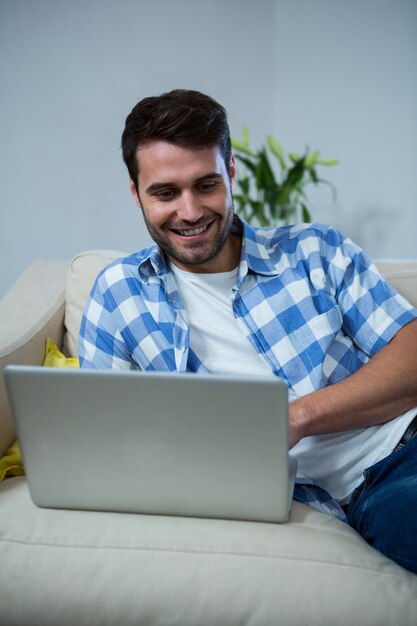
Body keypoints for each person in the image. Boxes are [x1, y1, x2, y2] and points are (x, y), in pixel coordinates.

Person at [79, 89, 417, 573]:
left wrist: (295, 416)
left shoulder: (316, 250)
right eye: (165, 193)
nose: (191, 212)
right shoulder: (118, 295)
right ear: (136, 192)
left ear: (231, 173)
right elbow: (100, 441)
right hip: (352, 498)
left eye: (206, 185)